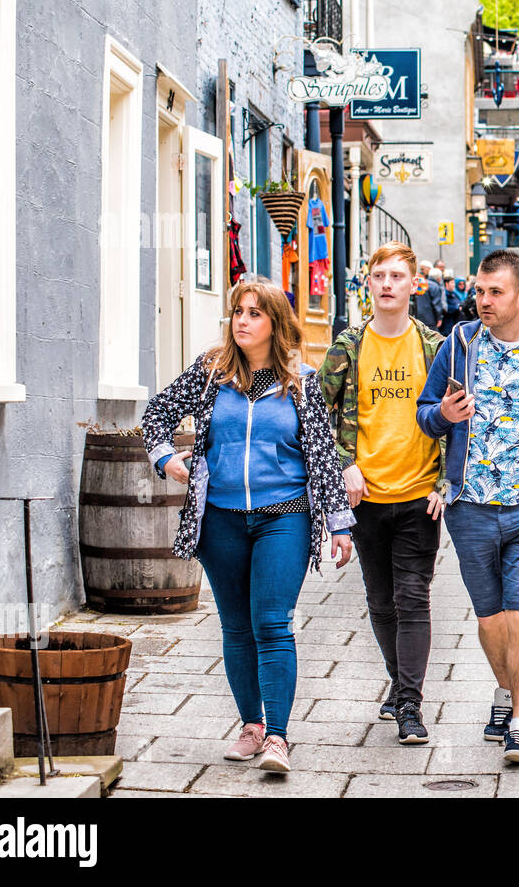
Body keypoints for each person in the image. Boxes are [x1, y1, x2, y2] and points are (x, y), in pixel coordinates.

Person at [141, 278, 354, 774]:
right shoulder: (211, 374)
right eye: (238, 310)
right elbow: (156, 415)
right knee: (236, 627)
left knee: (272, 624)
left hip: (285, 518)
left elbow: (321, 457)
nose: (243, 320)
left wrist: (340, 524)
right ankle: (251, 726)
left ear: (275, 323)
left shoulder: (300, 380)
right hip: (220, 521)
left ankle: (278, 737)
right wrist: (167, 460)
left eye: (256, 313)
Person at [416, 250, 519, 766]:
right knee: (490, 620)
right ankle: (506, 692)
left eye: (494, 292)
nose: (483, 301)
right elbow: (425, 417)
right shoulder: (460, 344)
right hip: (468, 504)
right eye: (479, 291)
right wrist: (444, 414)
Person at [317, 242, 446, 744]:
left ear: (415, 285)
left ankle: (410, 704)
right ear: (368, 284)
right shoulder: (347, 347)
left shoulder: (434, 347)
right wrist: (344, 466)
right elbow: (313, 417)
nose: (388, 284)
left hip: (419, 496)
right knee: (380, 601)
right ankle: (399, 684)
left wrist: (444, 482)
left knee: (413, 598)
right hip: (364, 497)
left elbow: (457, 422)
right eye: (379, 276)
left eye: (397, 276)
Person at [413, 259, 446, 332]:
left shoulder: (419, 284)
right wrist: (439, 318)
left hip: (417, 317)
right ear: (438, 278)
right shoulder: (434, 286)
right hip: (430, 319)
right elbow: (436, 304)